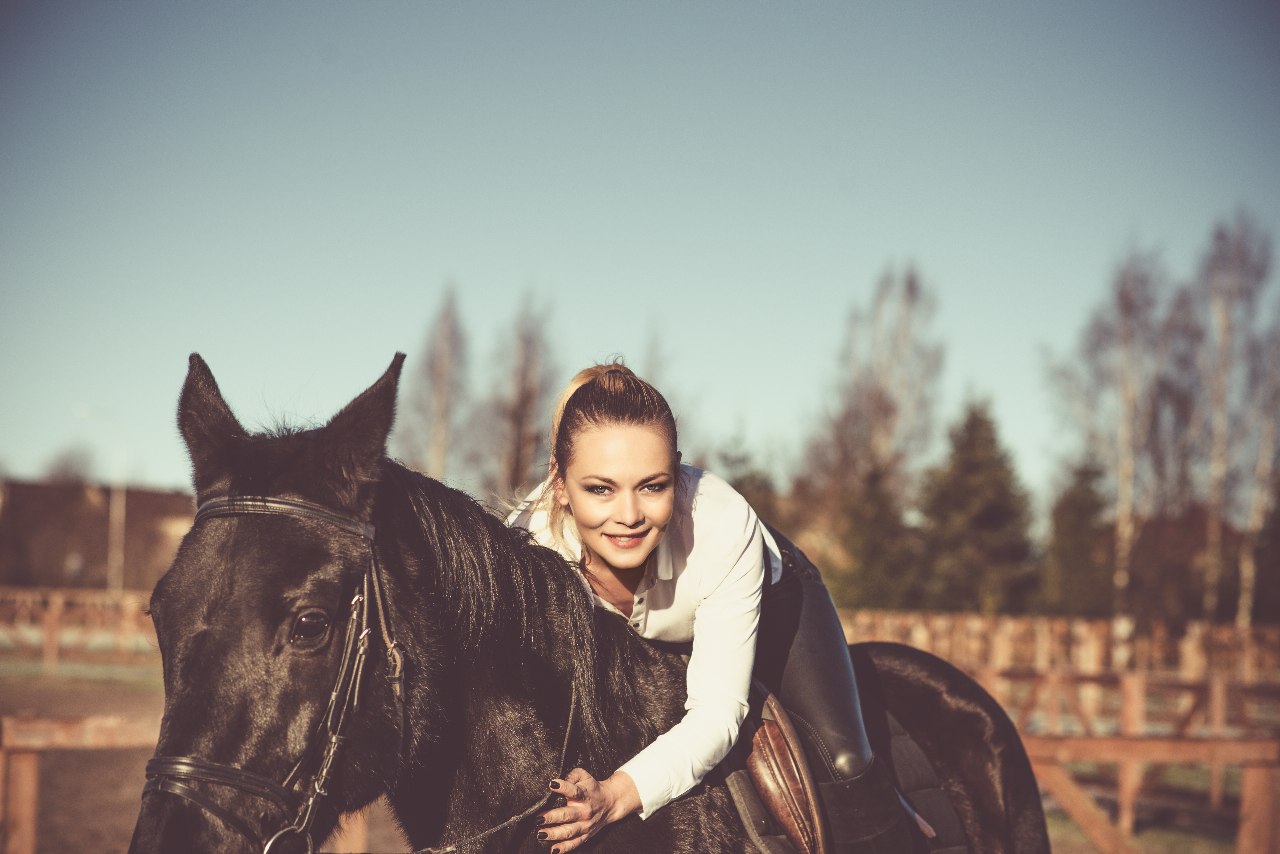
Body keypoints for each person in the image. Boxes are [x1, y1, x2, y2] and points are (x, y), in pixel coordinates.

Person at [506, 361, 915, 854]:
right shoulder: (527, 547)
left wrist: (614, 796)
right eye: (600, 489)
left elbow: (719, 713)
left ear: (677, 471)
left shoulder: (723, 524)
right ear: (559, 481)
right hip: (647, 631)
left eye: (653, 486)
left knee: (844, 759)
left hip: (772, 597)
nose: (630, 516)